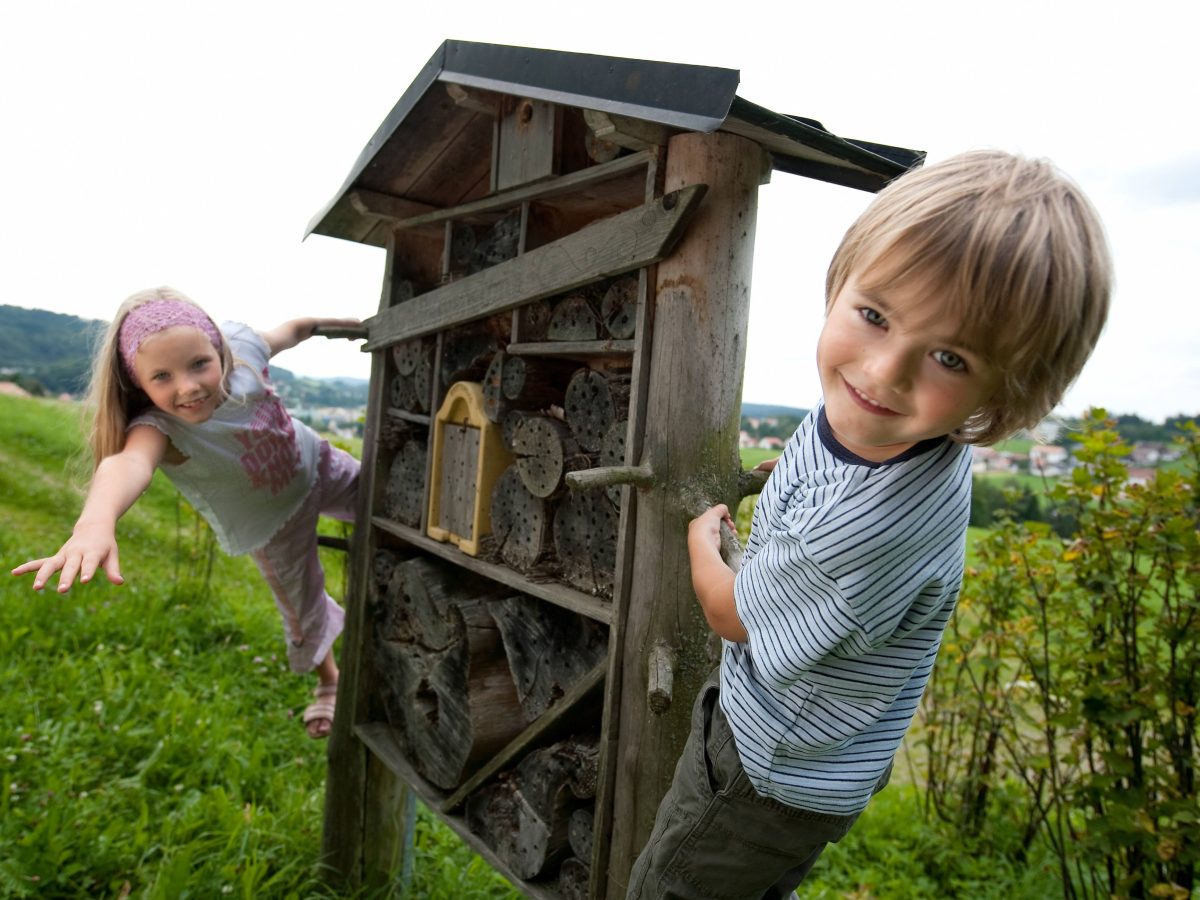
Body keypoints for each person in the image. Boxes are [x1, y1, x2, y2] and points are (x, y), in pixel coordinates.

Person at [626, 150, 1112, 899]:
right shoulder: (899, 429)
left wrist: (701, 542)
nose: (885, 372)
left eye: (949, 357)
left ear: (1008, 391)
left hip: (768, 768)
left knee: (671, 885)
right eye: (875, 315)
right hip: (831, 752)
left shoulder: (859, 531)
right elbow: (823, 466)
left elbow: (730, 615)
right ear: (841, 283)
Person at [11, 287, 363, 740]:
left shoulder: (243, 354)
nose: (189, 386)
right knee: (302, 609)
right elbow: (127, 464)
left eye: (199, 363)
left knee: (388, 505)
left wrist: (343, 327)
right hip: (272, 525)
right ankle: (330, 682)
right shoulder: (158, 428)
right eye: (162, 376)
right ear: (139, 384)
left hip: (319, 465)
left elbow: (293, 329)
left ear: (217, 346)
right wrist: (95, 523)